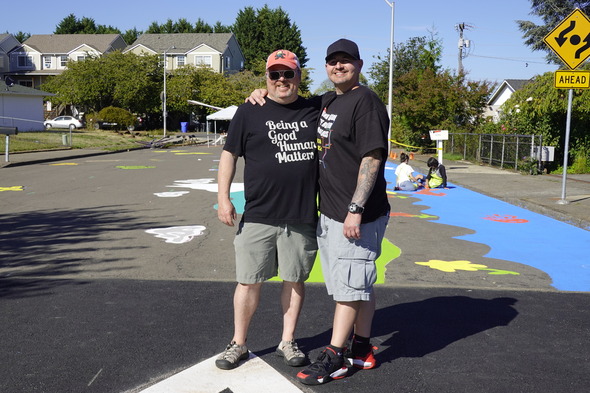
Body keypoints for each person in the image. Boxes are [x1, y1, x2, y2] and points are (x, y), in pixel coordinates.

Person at [216, 49, 320, 370]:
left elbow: (348, 92)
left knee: (294, 279)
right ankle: (239, 343)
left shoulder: (318, 107)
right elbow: (229, 155)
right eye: (274, 75)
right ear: (266, 78)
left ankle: (287, 340)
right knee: (248, 281)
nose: (281, 80)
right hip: (259, 213)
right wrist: (223, 198)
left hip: (300, 214)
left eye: (288, 73)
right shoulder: (249, 110)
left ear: (299, 76)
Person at [295, 38, 391, 385]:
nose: (338, 66)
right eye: (332, 61)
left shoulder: (365, 102)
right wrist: (259, 94)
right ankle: (362, 349)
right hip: (333, 213)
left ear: (359, 65)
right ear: (325, 67)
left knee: (350, 287)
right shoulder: (329, 101)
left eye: (345, 61)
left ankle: (335, 355)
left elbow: (373, 157)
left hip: (356, 216)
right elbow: (289, 102)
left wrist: (355, 209)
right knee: (358, 282)